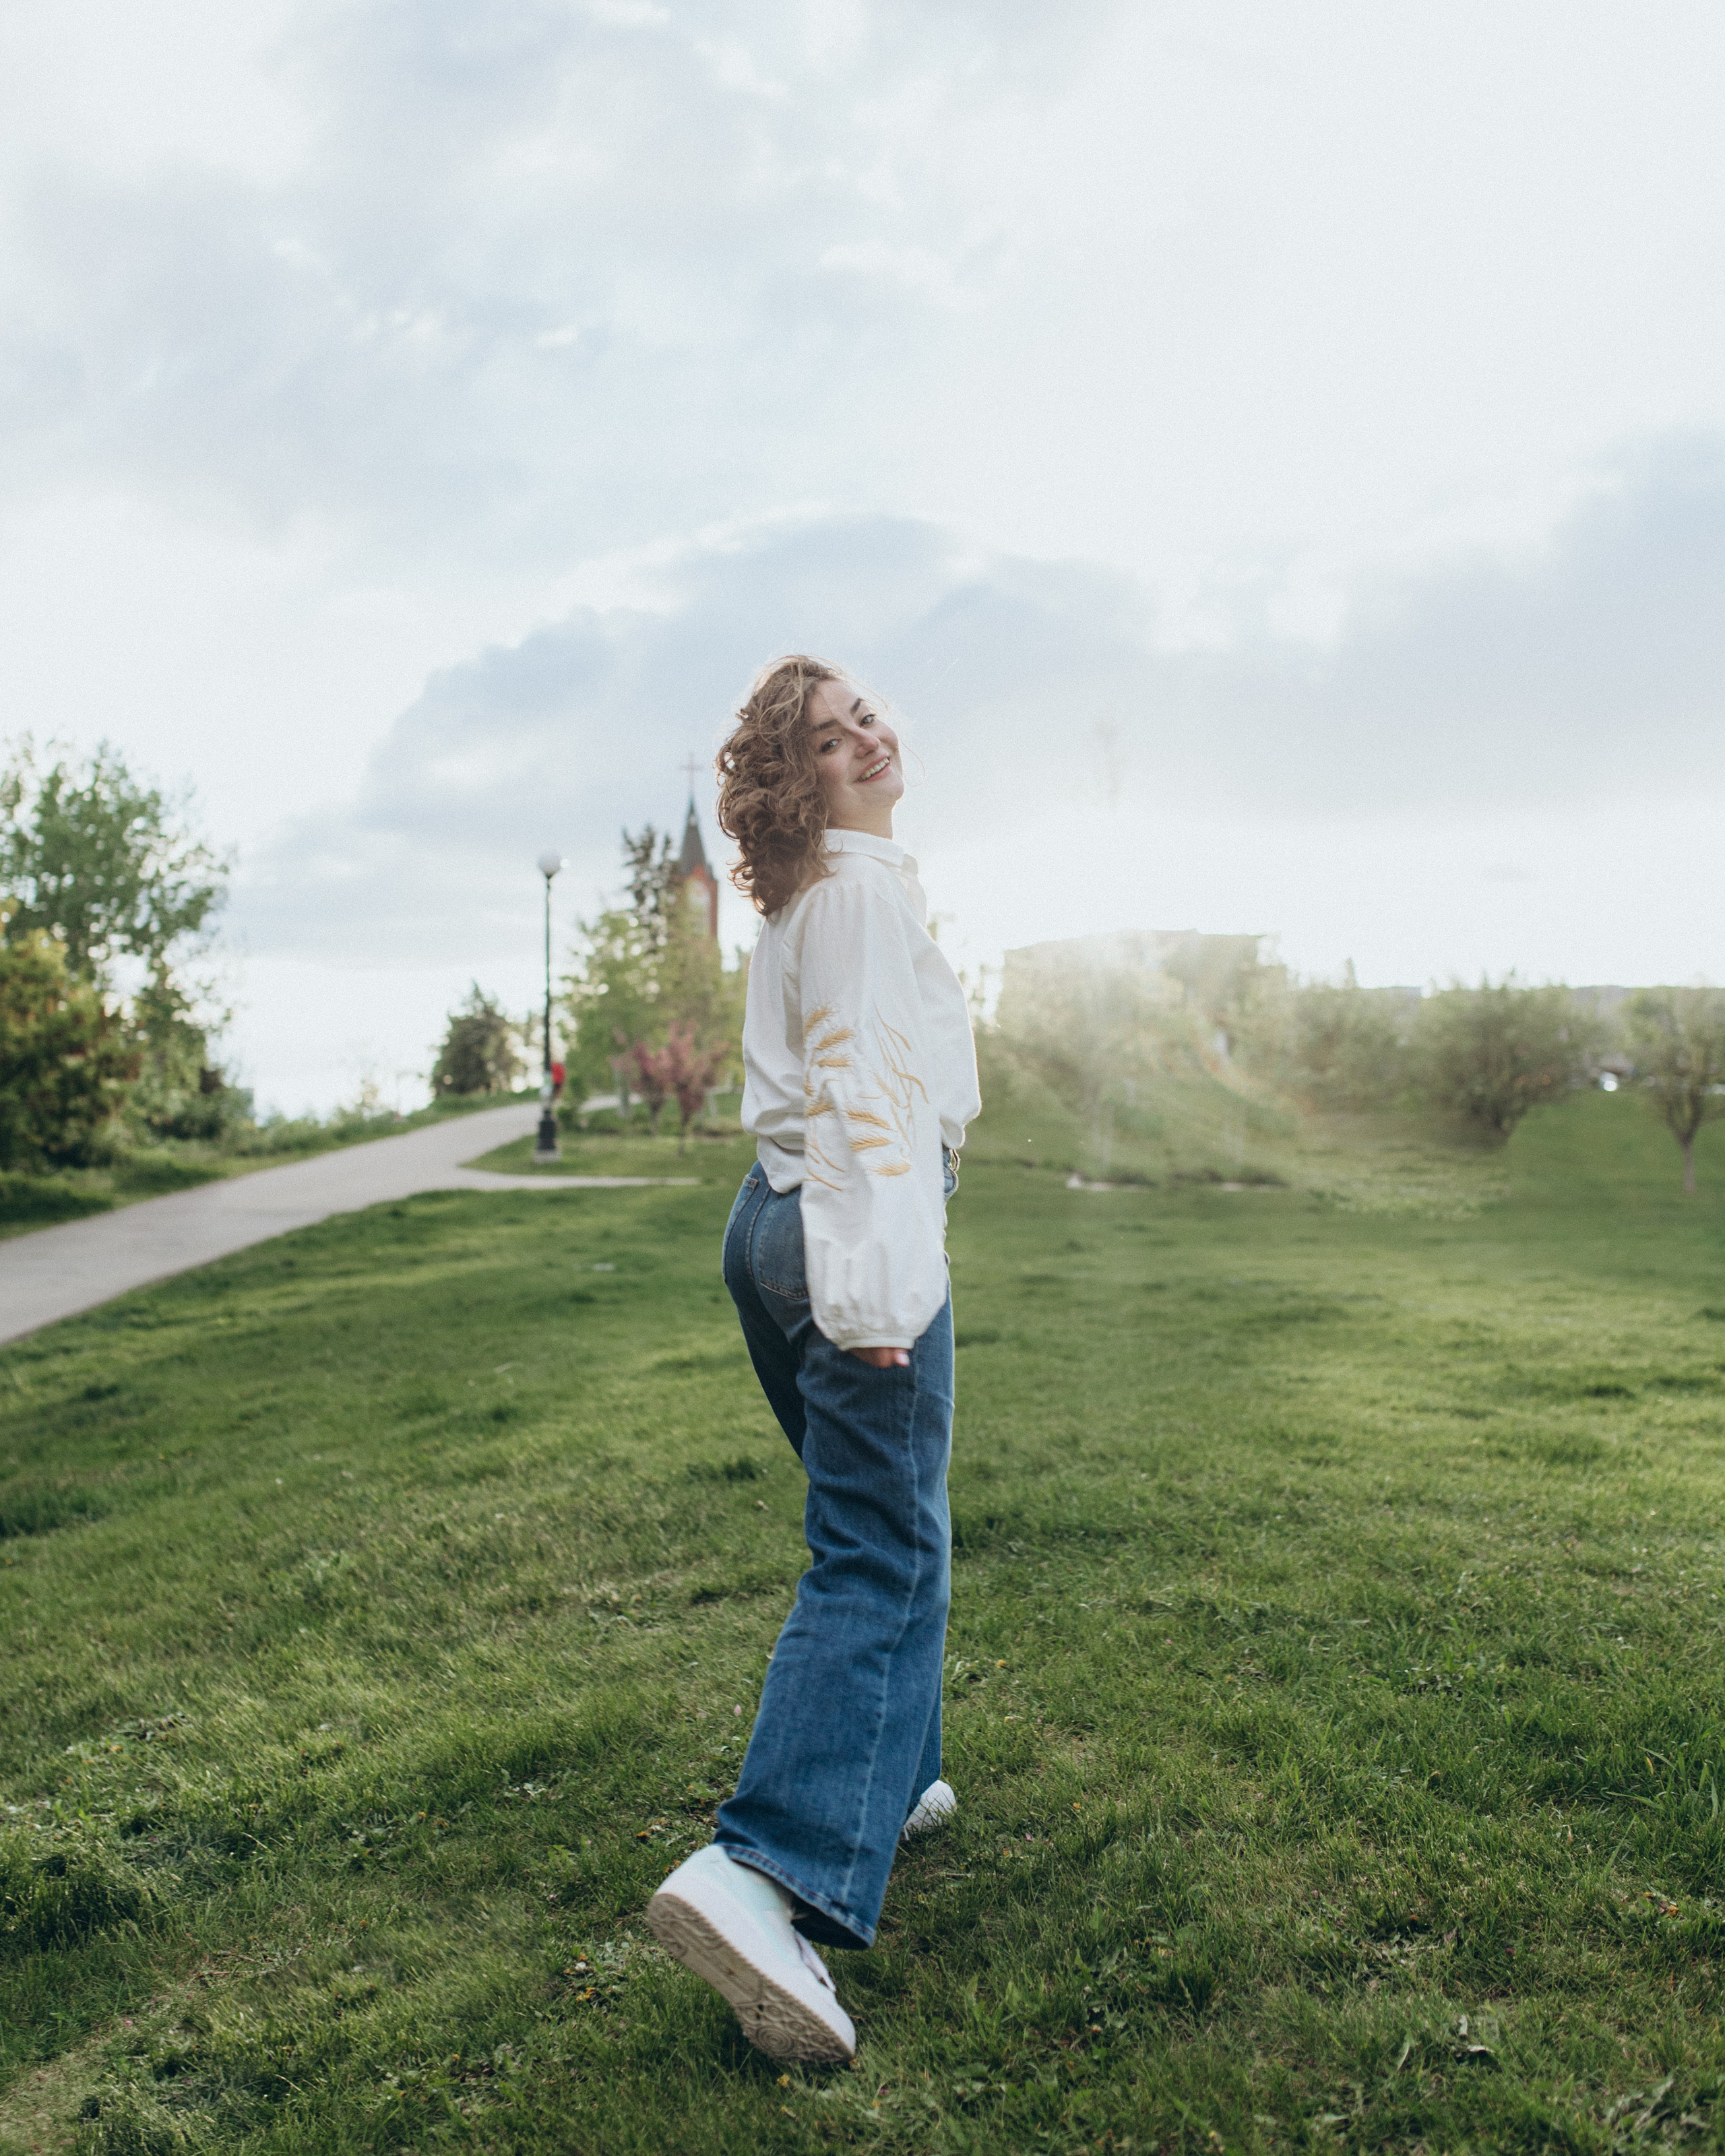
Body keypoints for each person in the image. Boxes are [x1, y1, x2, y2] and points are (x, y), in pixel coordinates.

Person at [646, 655, 980, 2064]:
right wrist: (876, 1292)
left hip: (775, 1222)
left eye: (867, 712)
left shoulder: (828, 893)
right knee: (879, 1547)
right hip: (839, 1227)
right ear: (804, 784)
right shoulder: (846, 899)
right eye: (836, 738)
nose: (869, 733)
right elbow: (863, 1104)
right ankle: (763, 1866)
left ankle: (883, 1774)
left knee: (894, 1526)